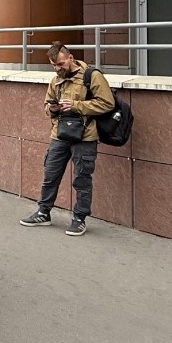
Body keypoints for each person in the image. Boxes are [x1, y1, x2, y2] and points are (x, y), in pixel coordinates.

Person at [19, 40, 116, 236]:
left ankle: (79, 219)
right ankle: (43, 212)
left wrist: (76, 105)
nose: (57, 68)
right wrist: (52, 108)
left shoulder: (91, 76)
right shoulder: (55, 80)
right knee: (50, 174)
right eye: (53, 65)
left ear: (70, 58)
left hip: (85, 136)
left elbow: (107, 103)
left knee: (82, 178)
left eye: (60, 64)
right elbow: (47, 106)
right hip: (60, 133)